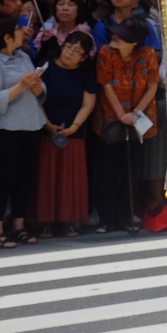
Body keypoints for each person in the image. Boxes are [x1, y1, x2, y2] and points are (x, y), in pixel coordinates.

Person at [0, 13, 45, 248]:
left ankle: (19, 225)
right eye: (17, 29)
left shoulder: (23, 56)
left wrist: (37, 86)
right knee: (5, 178)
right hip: (5, 128)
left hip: (31, 124)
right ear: (6, 37)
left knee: (24, 178)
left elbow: (41, 88)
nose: (22, 32)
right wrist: (21, 85)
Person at [92, 18, 159, 234]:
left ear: (134, 41)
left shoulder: (148, 54)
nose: (114, 37)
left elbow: (152, 85)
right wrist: (121, 114)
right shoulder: (105, 52)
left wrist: (136, 113)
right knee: (107, 171)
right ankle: (107, 218)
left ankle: (127, 217)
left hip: (138, 119)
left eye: (120, 36)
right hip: (110, 118)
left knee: (131, 171)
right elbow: (106, 83)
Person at [35, 28, 98, 238]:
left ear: (83, 58)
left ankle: (68, 221)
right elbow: (36, 98)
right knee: (46, 178)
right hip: (46, 129)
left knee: (71, 179)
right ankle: (45, 222)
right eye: (68, 46)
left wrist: (74, 127)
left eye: (77, 50)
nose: (70, 51)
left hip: (73, 132)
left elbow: (88, 104)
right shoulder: (47, 67)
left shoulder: (86, 73)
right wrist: (47, 124)